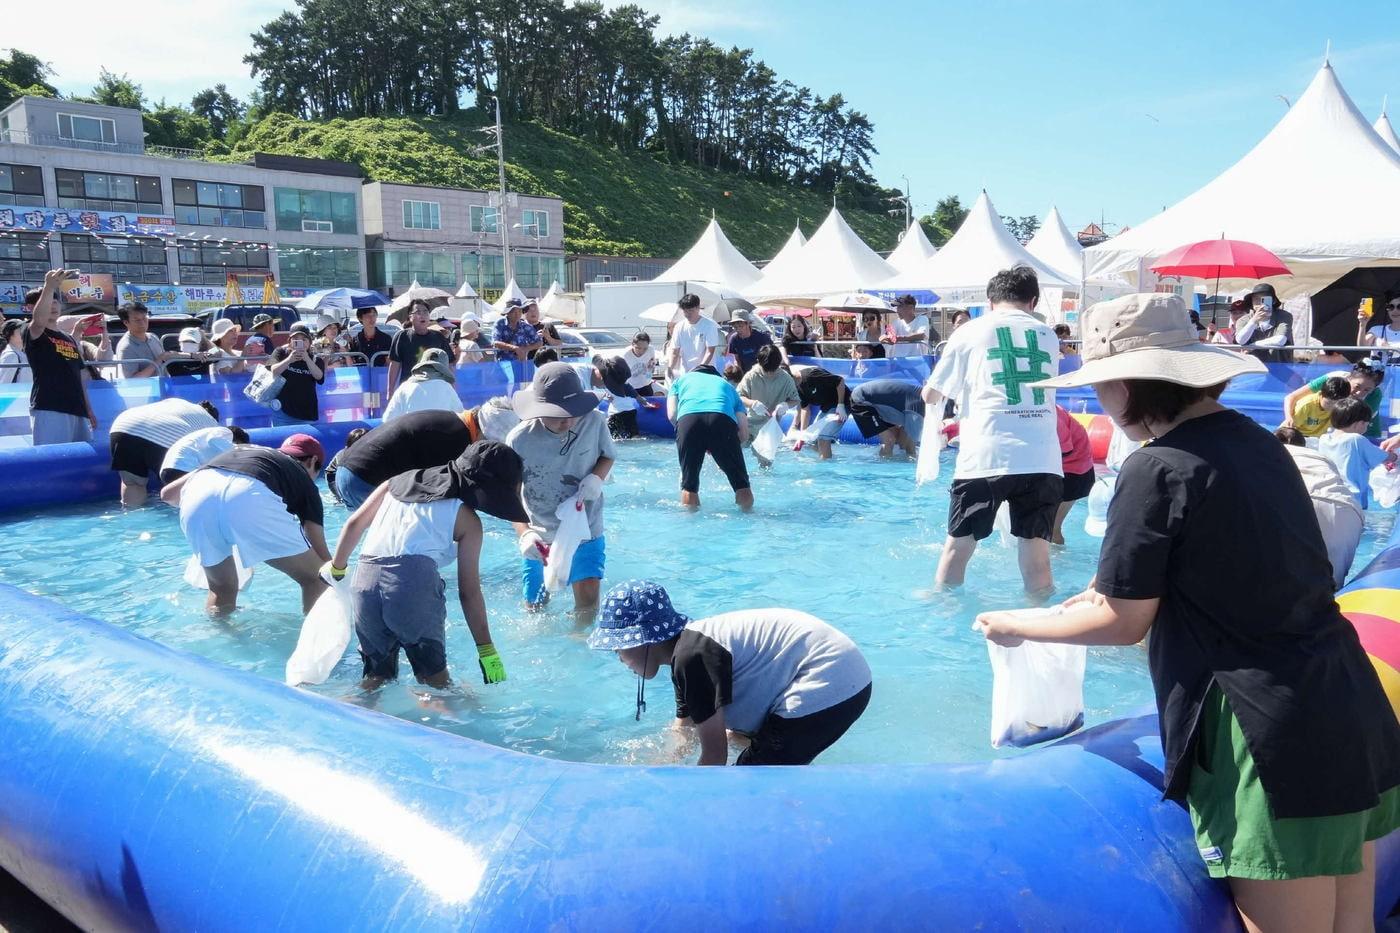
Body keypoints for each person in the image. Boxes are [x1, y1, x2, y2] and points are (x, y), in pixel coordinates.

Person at [976, 292, 1400, 933]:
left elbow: (1122, 623)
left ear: (1126, 384)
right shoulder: (1259, 444)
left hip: (1266, 731)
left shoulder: (1155, 468)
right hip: (1348, 697)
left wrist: (1013, 623)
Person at [588, 581, 872, 766]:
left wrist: (680, 801)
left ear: (644, 640)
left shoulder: (691, 659)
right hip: (845, 676)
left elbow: (714, 757)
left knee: (751, 777)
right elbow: (684, 727)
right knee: (740, 737)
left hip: (829, 678)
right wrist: (663, 763)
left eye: (619, 647)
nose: (618, 656)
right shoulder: (686, 649)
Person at [326, 440, 530, 690]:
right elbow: (469, 592)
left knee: (375, 680)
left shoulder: (395, 483)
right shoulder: (467, 519)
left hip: (364, 582)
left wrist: (337, 569)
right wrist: (487, 650)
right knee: (435, 686)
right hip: (411, 588)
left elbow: (354, 525)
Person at [920, 266, 1062, 594]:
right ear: (1034, 300)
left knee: (957, 551)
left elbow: (933, 393)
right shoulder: (1049, 336)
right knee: (1038, 560)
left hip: (986, 456)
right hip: (1043, 458)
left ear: (989, 300)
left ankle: (943, 615)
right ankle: (1040, 624)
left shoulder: (971, 331)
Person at [160, 434, 331, 615]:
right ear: (313, 461)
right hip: (250, 495)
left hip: (197, 494)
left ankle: (220, 637)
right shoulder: (302, 479)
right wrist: (340, 579)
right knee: (316, 578)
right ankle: (317, 640)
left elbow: (167, 495)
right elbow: (322, 556)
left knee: (221, 588)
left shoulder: (238, 452)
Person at [508, 363, 615, 619]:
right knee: (535, 605)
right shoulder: (518, 439)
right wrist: (524, 534)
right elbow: (509, 495)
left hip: (586, 526)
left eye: (573, 412)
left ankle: (580, 649)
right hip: (540, 532)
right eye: (557, 414)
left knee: (588, 602)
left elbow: (607, 456)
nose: (567, 420)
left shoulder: (595, 421)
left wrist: (596, 478)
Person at [334, 405, 515, 510]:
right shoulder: (456, 438)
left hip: (345, 472)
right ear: (485, 433)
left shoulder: (451, 420)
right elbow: (446, 494)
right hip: (364, 480)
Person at [1275, 426, 1365, 589]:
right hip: (1347, 511)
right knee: (1331, 591)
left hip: (1299, 501)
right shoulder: (1320, 458)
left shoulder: (1268, 451)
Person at [24, 269, 97, 444]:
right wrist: (49, 287)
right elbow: (39, 322)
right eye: (47, 300)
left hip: (77, 409)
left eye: (55, 300)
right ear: (31, 308)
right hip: (49, 407)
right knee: (51, 463)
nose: (53, 305)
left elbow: (79, 376)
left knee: (80, 463)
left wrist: (88, 408)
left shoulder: (69, 338)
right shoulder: (32, 331)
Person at [667, 363, 753, 511]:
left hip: (689, 421)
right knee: (741, 485)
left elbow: (672, 415)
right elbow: (744, 434)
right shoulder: (729, 387)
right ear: (716, 376)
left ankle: (690, 524)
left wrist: (691, 439)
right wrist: (721, 446)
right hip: (722, 421)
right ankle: (748, 515)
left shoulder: (680, 381)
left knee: (689, 485)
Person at [108, 398, 220, 507]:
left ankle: (130, 515)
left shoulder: (177, 404)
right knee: (180, 487)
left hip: (123, 426)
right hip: (163, 431)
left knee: (133, 483)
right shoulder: (212, 424)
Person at [1318, 399, 1395, 509]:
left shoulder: (1324, 439)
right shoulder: (1356, 439)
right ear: (1360, 423)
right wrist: (1395, 456)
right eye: (1366, 425)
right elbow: (1383, 457)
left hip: (1327, 495)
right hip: (1351, 499)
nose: (1366, 428)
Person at [1284, 359, 1384, 440]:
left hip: (1366, 433)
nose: (1359, 393)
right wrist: (1289, 418)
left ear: (1374, 389)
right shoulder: (1332, 379)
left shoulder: (1375, 396)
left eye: (1367, 390)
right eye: (1357, 386)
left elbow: (1356, 428)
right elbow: (1291, 397)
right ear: (1349, 378)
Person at [388, 300, 453, 394]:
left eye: (425, 311)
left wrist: (453, 387)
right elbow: (394, 364)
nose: (422, 315)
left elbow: (449, 364)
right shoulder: (402, 336)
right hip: (410, 389)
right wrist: (390, 391)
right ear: (410, 317)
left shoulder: (438, 337)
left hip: (435, 389)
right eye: (418, 312)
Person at [848, 378, 924, 458]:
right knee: (889, 440)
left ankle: (885, 458)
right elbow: (910, 448)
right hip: (861, 401)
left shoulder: (920, 395)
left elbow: (904, 441)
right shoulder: (917, 409)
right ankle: (884, 467)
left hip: (873, 399)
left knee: (898, 437)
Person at [382, 348, 464, 422]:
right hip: (439, 437)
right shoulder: (447, 388)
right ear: (444, 370)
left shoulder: (404, 387)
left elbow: (387, 420)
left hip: (410, 437)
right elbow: (461, 419)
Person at [1052, 406, 1095, 546]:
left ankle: (1058, 564)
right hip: (1071, 465)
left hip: (1074, 470)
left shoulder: (1050, 413)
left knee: (1051, 529)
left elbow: (1066, 449)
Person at [268, 322, 325, 423]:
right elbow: (273, 371)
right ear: (290, 341)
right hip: (282, 412)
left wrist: (307, 359)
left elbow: (319, 378)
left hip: (307, 413)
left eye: (304, 339)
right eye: (296, 339)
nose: (300, 342)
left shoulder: (316, 359)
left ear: (309, 342)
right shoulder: (280, 352)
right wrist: (289, 360)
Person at [736, 344, 799, 434]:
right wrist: (752, 403)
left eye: (773, 370)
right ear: (759, 362)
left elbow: (795, 400)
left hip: (771, 427)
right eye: (766, 370)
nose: (769, 374)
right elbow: (738, 397)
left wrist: (786, 405)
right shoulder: (751, 376)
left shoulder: (786, 378)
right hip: (750, 425)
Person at [790, 364, 849, 460]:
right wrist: (802, 436)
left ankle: (825, 472)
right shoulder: (797, 387)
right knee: (815, 442)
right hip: (827, 407)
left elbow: (840, 380)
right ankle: (830, 460)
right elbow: (805, 410)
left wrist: (841, 405)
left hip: (842, 403)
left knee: (823, 438)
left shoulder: (812, 374)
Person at [160, 424, 249, 486]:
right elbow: (213, 439)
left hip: (167, 471)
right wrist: (243, 452)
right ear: (236, 440)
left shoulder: (204, 439)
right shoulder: (224, 431)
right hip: (185, 469)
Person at [593, 354, 657, 439]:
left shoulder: (616, 381)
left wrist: (646, 403)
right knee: (633, 435)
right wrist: (646, 403)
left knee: (611, 436)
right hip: (625, 411)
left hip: (619, 412)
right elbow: (637, 396)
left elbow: (636, 395)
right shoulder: (621, 382)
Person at [1235, 283, 1293, 363]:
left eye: (1264, 299)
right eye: (1256, 299)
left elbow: (1280, 340)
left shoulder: (1284, 316)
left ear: (1273, 301)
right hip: (1253, 368)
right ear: (1251, 302)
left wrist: (1252, 346)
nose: (1259, 303)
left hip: (1280, 367)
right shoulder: (1243, 320)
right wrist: (1254, 321)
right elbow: (1240, 340)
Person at [668, 293, 721, 375]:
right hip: (686, 372)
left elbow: (710, 352)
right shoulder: (679, 327)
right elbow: (675, 351)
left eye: (690, 310)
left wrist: (700, 369)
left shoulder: (709, 325)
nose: (688, 314)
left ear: (698, 308)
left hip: (706, 371)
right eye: (685, 311)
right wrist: (670, 368)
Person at [324, 426, 368, 503]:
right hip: (336, 479)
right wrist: (338, 496)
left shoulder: (369, 454)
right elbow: (329, 473)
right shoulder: (342, 455)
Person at [1358, 294, 1400, 361]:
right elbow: (1362, 347)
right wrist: (1363, 324)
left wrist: (1388, 348)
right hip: (1379, 371)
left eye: (1399, 307)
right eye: (1390, 307)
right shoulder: (1376, 329)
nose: (1395, 310)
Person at [620, 331, 657, 395]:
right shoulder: (625, 355)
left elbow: (650, 370)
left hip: (646, 385)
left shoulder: (650, 350)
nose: (641, 351)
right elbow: (619, 375)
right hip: (630, 387)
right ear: (632, 344)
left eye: (645, 348)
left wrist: (649, 376)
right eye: (638, 348)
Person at [1, 318, 32, 384]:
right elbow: (3, 384)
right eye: (20, 329)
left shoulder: (22, 353)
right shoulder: (11, 355)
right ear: (9, 333)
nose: (25, 331)